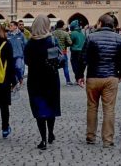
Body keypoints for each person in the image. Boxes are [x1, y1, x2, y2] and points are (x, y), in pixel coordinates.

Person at [78, 13, 121, 148]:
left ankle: (90, 136)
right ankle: (108, 139)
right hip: (111, 77)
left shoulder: (91, 37)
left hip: (93, 76)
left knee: (92, 107)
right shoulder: (119, 38)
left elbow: (83, 58)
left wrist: (79, 75)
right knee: (109, 109)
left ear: (100, 23)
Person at [25, 15, 61, 150]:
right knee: (51, 106)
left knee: (39, 108)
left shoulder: (30, 43)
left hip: (35, 79)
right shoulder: (51, 40)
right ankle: (51, 133)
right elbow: (54, 60)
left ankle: (43, 140)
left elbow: (27, 61)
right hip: (51, 78)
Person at [52, 20, 74, 86]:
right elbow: (70, 43)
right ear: (62, 25)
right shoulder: (65, 33)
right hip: (63, 52)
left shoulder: (53, 33)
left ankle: (54, 82)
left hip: (54, 52)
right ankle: (68, 81)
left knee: (54, 67)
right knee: (65, 67)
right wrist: (66, 44)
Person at [7, 21, 28, 89]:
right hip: (10, 56)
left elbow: (25, 44)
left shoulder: (21, 35)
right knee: (11, 71)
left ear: (16, 26)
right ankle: (14, 83)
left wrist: (25, 54)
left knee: (18, 67)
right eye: (9, 26)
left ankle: (20, 79)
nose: (10, 27)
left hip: (19, 55)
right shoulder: (7, 35)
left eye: (11, 25)